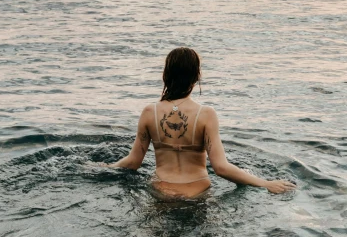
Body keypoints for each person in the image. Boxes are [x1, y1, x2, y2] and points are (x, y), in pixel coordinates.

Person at [107, 47, 296, 199]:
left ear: (165, 75)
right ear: (196, 76)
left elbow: (132, 163)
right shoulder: (206, 114)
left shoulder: (150, 112)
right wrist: (265, 183)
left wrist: (104, 168)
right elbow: (221, 167)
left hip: (160, 191)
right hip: (197, 193)